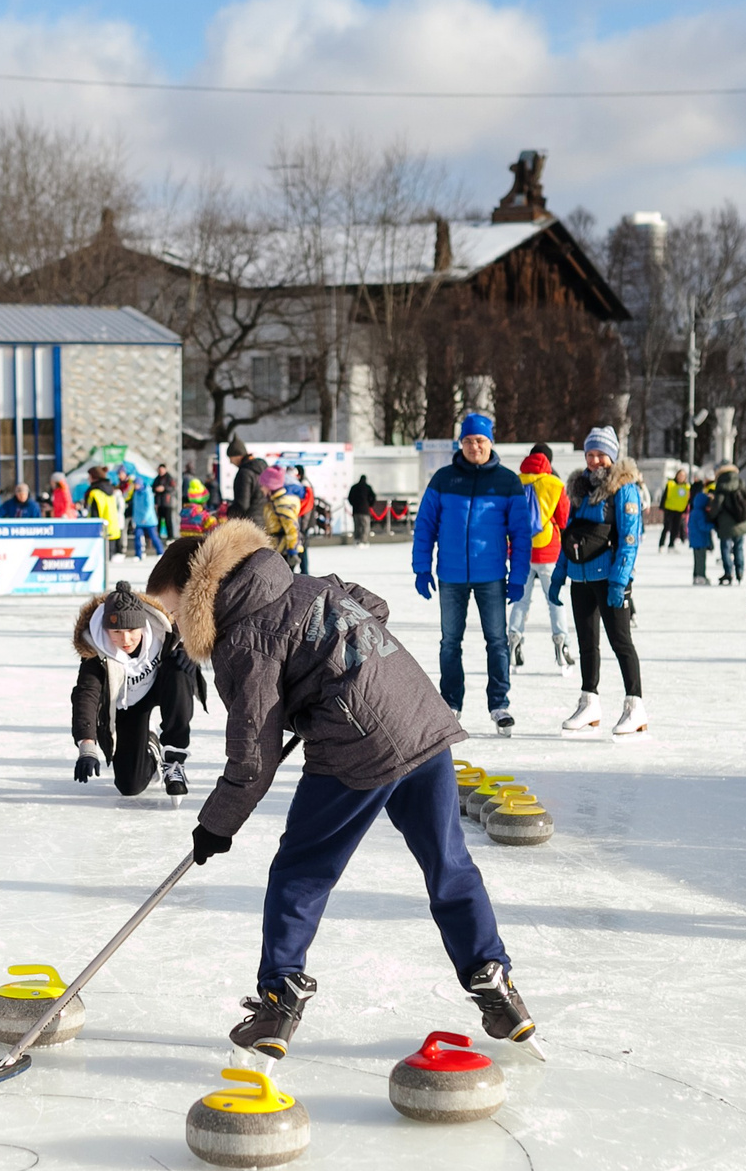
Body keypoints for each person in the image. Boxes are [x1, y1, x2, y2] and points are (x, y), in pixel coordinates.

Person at [154, 522, 535, 1059]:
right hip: (418, 712)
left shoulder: (243, 637)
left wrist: (216, 825)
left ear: (198, 594)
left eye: (173, 612)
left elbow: (253, 759)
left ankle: (278, 1000)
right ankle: (494, 983)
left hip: (358, 744)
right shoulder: (305, 583)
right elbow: (373, 606)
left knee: (301, 872)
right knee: (449, 862)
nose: (173, 626)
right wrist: (332, 671)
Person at [412, 412, 532, 735]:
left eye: (479, 440)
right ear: (460, 443)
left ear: (490, 442)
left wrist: (518, 576)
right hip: (450, 576)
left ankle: (499, 704)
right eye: (467, 440)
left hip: (491, 575)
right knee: (450, 642)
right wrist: (421, 567)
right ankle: (451, 702)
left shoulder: (507, 481)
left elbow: (521, 534)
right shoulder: (443, 479)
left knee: (497, 641)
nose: (473, 446)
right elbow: (425, 526)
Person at [551, 426, 647, 737]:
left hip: (609, 579)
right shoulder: (580, 489)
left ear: (612, 456)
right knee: (587, 644)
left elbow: (630, 540)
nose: (594, 461)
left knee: (621, 642)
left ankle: (635, 706)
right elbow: (569, 535)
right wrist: (559, 573)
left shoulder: (623, 489)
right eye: (590, 454)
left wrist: (620, 581)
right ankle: (589, 702)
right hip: (580, 578)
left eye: (601, 454)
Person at [70, 577, 199, 798]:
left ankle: (173, 760)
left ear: (143, 624)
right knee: (130, 786)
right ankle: (151, 747)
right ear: (106, 630)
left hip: (159, 688)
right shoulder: (96, 652)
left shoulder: (163, 632)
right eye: (116, 632)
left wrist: (191, 652)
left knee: (179, 670)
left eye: (131, 629)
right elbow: (86, 696)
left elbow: (198, 632)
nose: (126, 639)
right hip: (127, 705)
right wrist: (87, 746)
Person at [508, 446, 572, 671]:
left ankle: (513, 642)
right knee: (555, 599)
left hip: (522, 551)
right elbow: (564, 520)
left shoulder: (514, 483)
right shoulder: (555, 484)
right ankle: (562, 645)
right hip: (548, 552)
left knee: (520, 601)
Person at [709, 462, 746, 585]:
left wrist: (711, 516)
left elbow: (717, 504)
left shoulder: (721, 485)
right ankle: (740, 571)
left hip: (725, 523)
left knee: (725, 548)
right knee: (738, 547)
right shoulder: (741, 483)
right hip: (740, 521)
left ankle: (728, 572)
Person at [259, 461, 302, 569]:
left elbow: (292, 528)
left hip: (285, 551)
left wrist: (292, 551)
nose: (261, 488)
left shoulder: (282, 503)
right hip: (277, 549)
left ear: (270, 486)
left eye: (263, 485)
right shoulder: (273, 502)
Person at [129, 466, 165, 557]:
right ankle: (138, 554)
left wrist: (145, 518)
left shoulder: (147, 493)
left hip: (149, 521)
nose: (135, 486)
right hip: (139, 520)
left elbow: (149, 507)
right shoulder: (135, 493)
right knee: (137, 536)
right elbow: (135, 507)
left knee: (153, 536)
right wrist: (134, 519)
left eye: (136, 484)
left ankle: (160, 552)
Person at [687, 470, 716, 582]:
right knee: (701, 559)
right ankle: (701, 576)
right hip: (700, 540)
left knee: (697, 559)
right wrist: (712, 525)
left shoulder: (694, 511)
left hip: (695, 540)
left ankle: (696, 576)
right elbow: (702, 526)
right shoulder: (700, 513)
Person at [658, 466, 690, 551]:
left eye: (683, 476)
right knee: (666, 527)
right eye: (680, 475)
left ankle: (671, 545)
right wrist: (661, 506)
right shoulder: (671, 484)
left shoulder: (687, 487)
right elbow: (665, 495)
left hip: (679, 510)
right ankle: (661, 544)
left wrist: (685, 510)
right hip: (669, 508)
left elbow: (687, 499)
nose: (681, 477)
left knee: (675, 528)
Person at [348, 471, 377, 544]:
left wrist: (353, 504)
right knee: (365, 526)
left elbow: (350, 498)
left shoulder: (354, 487)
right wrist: (370, 504)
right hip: (365, 510)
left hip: (356, 510)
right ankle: (363, 540)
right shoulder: (368, 487)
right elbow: (373, 497)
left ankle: (357, 540)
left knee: (357, 526)